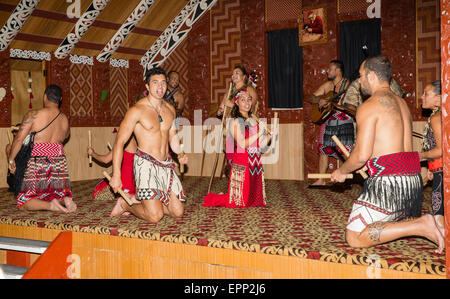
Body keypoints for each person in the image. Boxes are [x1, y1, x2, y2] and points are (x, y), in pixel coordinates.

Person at [330, 55, 444, 253]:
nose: (359, 81)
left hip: (390, 184)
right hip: (412, 182)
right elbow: (390, 147)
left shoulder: (369, 106)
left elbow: (361, 155)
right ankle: (413, 220)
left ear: (372, 76)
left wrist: (342, 170)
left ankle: (421, 225)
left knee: (354, 237)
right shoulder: (401, 103)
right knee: (381, 221)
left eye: (361, 76)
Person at [109, 67, 188, 223]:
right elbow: (119, 142)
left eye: (163, 83)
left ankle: (149, 202)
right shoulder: (137, 110)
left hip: (165, 164)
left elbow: (172, 136)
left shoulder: (170, 109)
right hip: (145, 164)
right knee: (155, 216)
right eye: (155, 83)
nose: (160, 87)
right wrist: (116, 175)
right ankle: (126, 204)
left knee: (177, 212)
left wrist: (180, 153)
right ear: (147, 86)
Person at [8, 84, 76, 213]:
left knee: (24, 201)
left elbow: (18, 139)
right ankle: (65, 199)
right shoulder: (65, 119)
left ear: (45, 97)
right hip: (58, 162)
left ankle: (51, 206)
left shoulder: (34, 114)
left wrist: (11, 160)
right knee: (52, 193)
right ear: (60, 99)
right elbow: (66, 136)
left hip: (37, 161)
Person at [203, 90, 271, 208]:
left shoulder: (254, 120)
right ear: (237, 103)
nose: (247, 102)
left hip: (255, 162)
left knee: (256, 202)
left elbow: (260, 145)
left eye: (249, 99)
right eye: (243, 100)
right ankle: (218, 197)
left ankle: (228, 194)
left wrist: (269, 136)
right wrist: (260, 133)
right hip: (242, 162)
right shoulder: (234, 121)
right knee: (238, 202)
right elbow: (242, 143)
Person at [308, 60, 355, 186]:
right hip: (329, 120)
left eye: (329, 68)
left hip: (345, 120)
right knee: (323, 148)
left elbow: (353, 104)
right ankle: (321, 179)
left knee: (346, 151)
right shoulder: (327, 85)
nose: (327, 71)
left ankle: (349, 177)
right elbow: (311, 97)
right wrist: (320, 99)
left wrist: (336, 103)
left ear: (338, 70)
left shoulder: (349, 85)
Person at [89, 136, 137, 213]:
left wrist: (92, 153)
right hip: (136, 183)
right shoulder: (140, 138)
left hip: (125, 183)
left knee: (98, 191)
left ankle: (125, 201)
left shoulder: (124, 138)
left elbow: (105, 160)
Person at [419, 81, 443, 231]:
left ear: (439, 99)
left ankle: (443, 243)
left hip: (442, 171)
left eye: (426, 94)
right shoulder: (439, 115)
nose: (422, 96)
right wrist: (430, 166)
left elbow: (441, 150)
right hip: (438, 169)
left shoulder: (436, 118)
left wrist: (420, 156)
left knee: (439, 212)